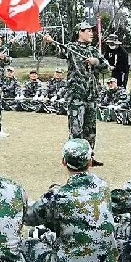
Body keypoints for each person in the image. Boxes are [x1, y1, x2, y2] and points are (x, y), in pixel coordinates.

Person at [22, 139, 118, 262]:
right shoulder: (103, 187)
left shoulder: (58, 196)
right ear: (90, 162)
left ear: (64, 161)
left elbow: (27, 217)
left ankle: (40, 238)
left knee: (26, 245)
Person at [42, 22, 110, 166]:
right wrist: (50, 42)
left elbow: (106, 68)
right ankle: (73, 159)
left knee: (90, 130)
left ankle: (89, 157)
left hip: (91, 96)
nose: (91, 33)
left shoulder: (93, 50)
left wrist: (96, 61)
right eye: (88, 31)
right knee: (76, 129)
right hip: (76, 96)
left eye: (92, 31)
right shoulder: (72, 48)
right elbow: (59, 50)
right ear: (79, 32)